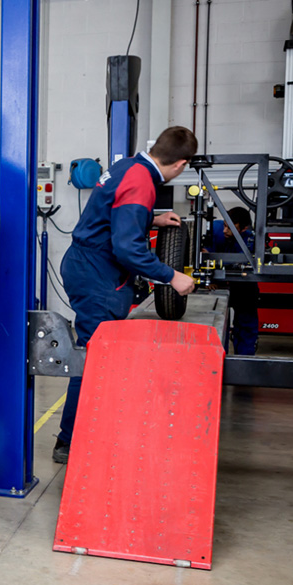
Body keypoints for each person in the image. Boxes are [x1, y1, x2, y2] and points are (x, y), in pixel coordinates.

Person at [53, 126, 198, 464]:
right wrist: (172, 277)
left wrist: (152, 218)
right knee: (93, 358)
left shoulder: (128, 166)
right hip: (97, 274)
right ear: (180, 165)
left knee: (97, 354)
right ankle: (68, 442)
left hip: (89, 265)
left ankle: (81, 432)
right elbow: (128, 249)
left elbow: (114, 212)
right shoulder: (142, 182)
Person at [204, 206, 259, 355]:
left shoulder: (250, 239)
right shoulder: (215, 229)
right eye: (225, 225)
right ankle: (220, 360)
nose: (225, 231)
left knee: (246, 325)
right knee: (220, 326)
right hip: (218, 284)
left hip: (244, 285)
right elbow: (204, 252)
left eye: (230, 228)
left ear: (243, 228)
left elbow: (243, 263)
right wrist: (210, 275)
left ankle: (245, 361)